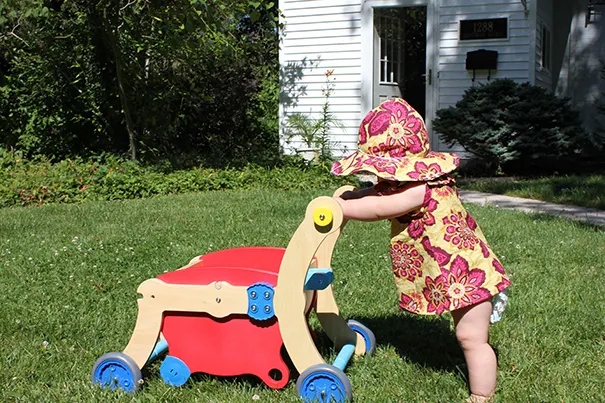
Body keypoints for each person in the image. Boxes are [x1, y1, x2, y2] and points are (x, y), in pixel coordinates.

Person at [330, 98, 511, 403]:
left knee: (471, 338)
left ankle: (482, 395)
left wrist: (343, 207)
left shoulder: (418, 188)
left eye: (382, 172)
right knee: (468, 336)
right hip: (451, 273)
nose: (379, 180)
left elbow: (380, 206)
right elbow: (378, 193)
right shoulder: (409, 180)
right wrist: (355, 194)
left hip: (468, 275)